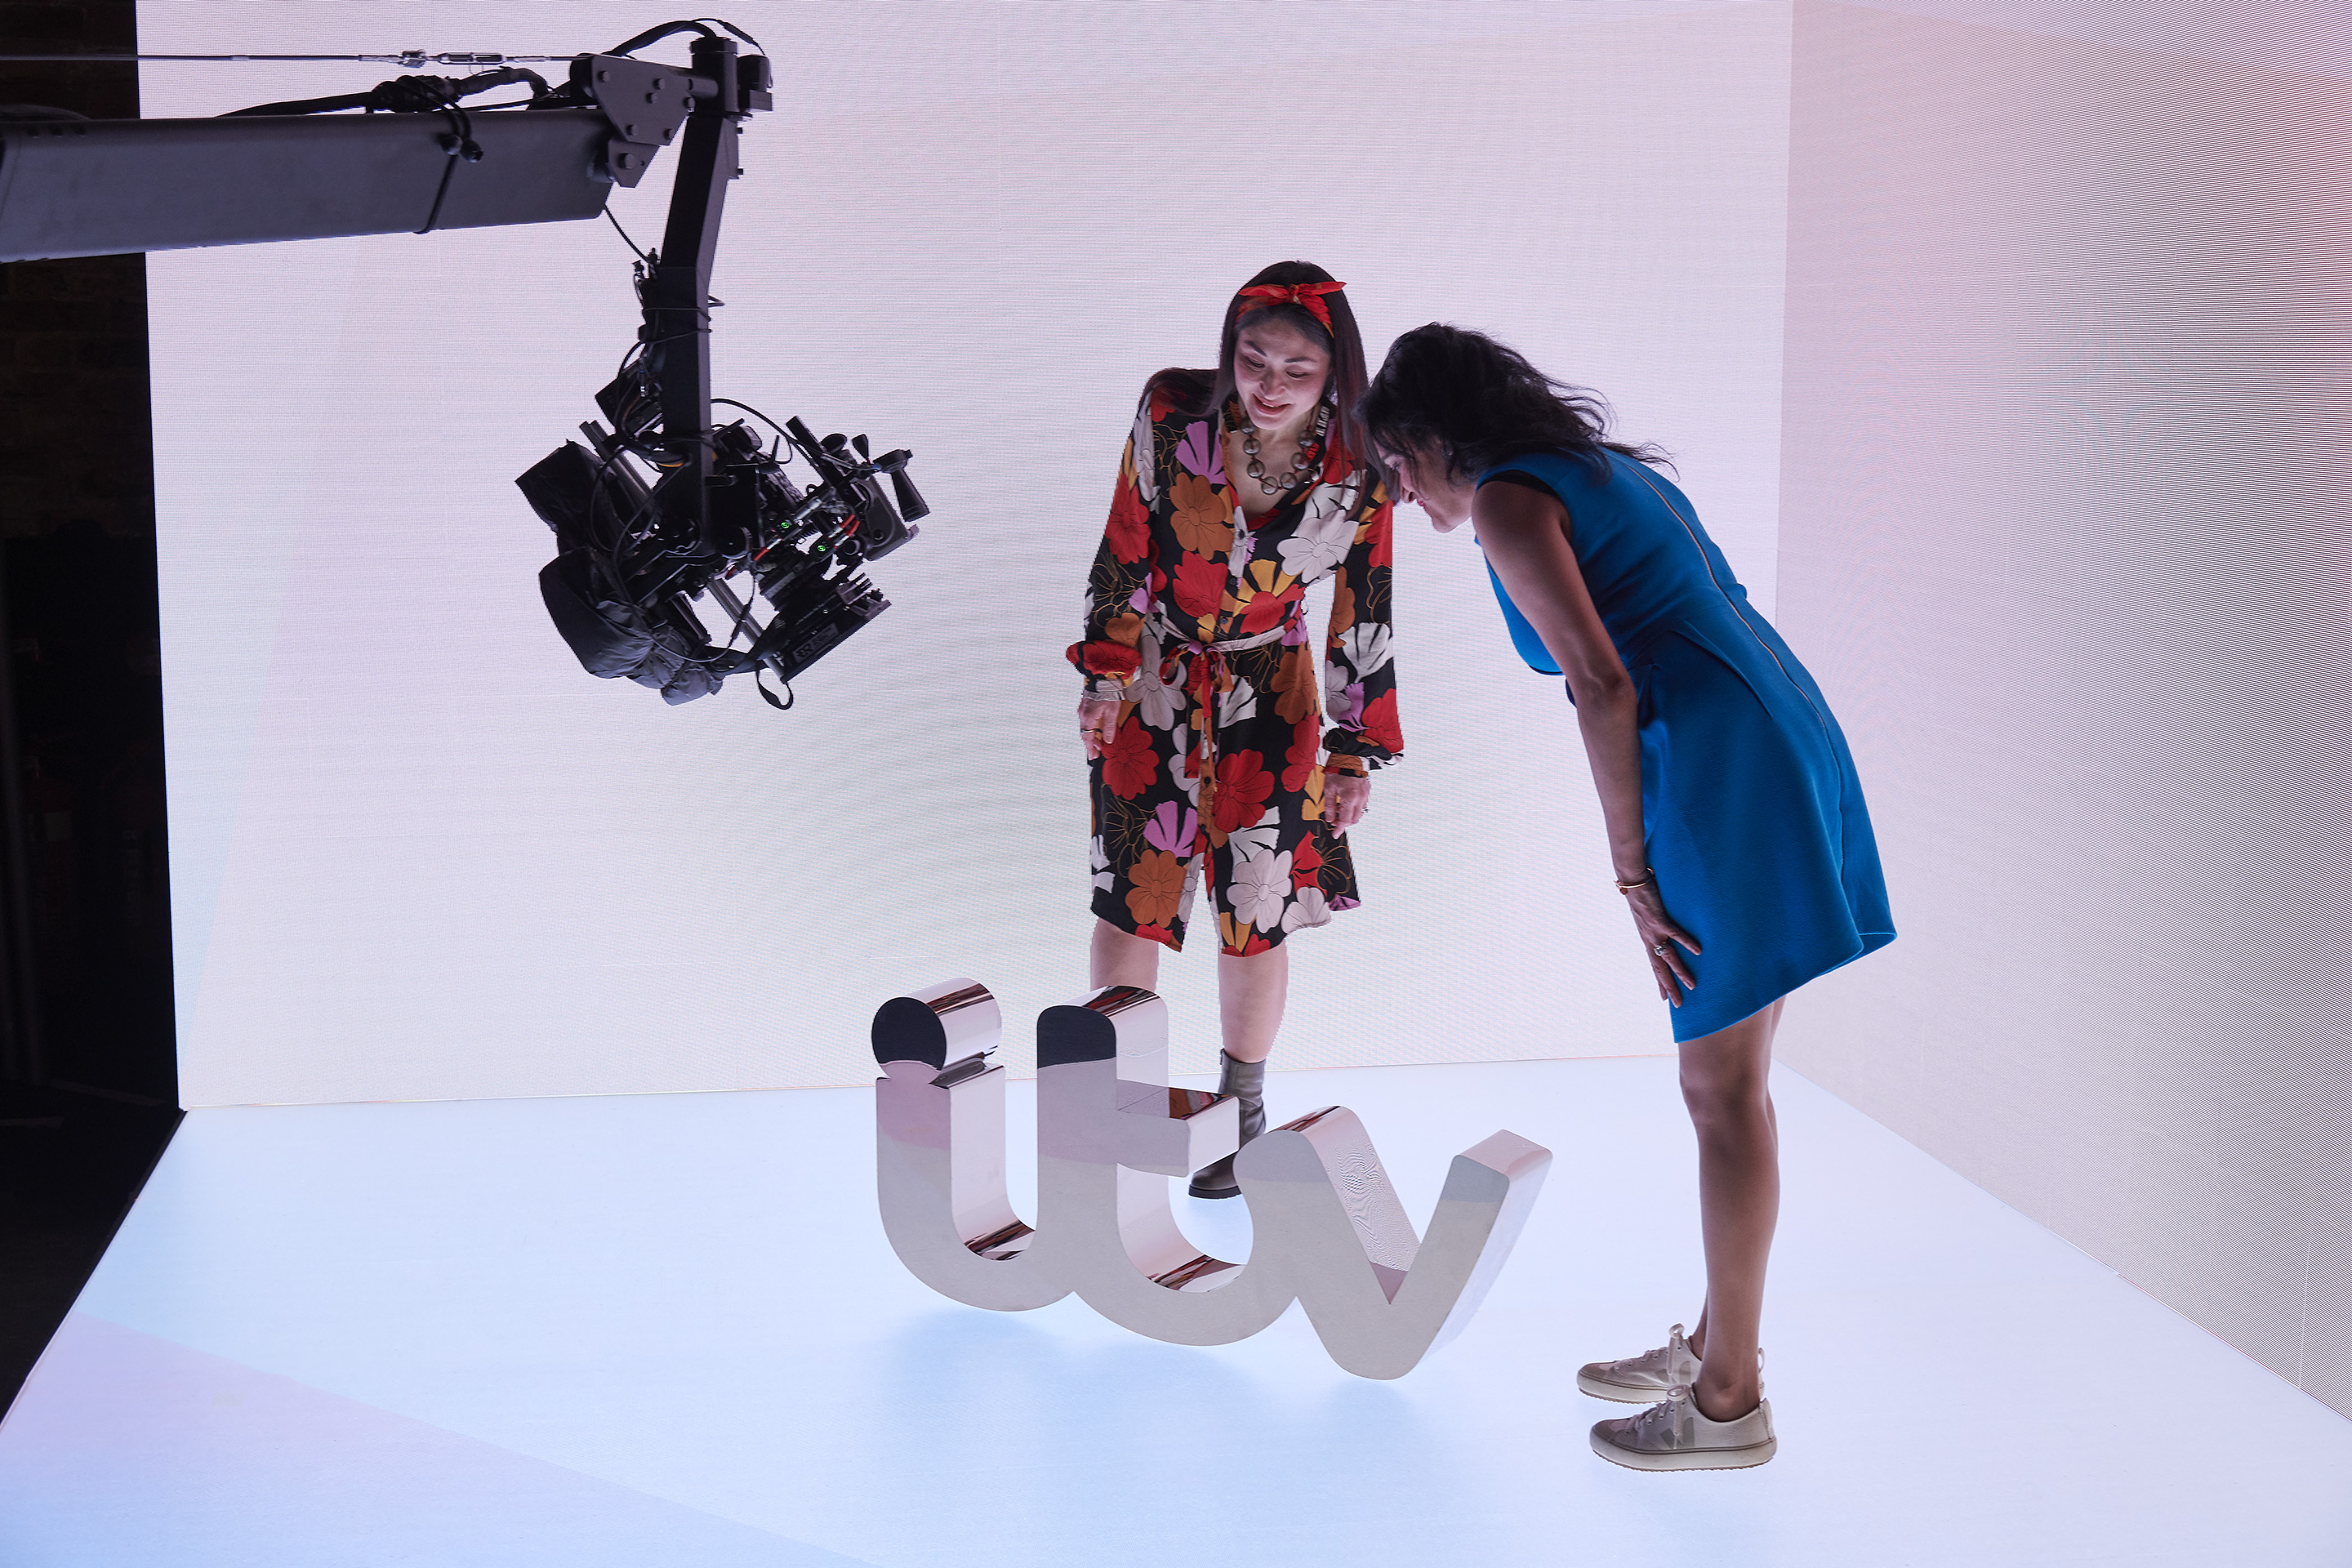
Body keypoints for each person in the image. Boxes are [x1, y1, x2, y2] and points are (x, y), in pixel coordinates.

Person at [1358, 324, 1893, 1472]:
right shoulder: (1601, 468)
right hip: (1769, 712)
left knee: (1718, 1088)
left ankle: (1728, 1401)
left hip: (1715, 754)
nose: (1399, 490)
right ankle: (1715, 1346)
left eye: (1398, 462)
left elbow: (1600, 683)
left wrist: (1631, 869)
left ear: (1434, 434)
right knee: (1733, 1080)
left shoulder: (1508, 498)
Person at [1068, 262, 1400, 1199]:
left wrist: (1353, 746)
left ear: (1336, 373)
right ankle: (1113, 1103)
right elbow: (1128, 537)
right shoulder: (1173, 411)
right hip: (1158, 676)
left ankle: (1241, 1112)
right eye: (1253, 357)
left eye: (1298, 369)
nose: (1269, 383)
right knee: (1133, 890)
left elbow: (1363, 603)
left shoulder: (1364, 461)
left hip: (1276, 689)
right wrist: (1106, 672)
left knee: (1254, 908)